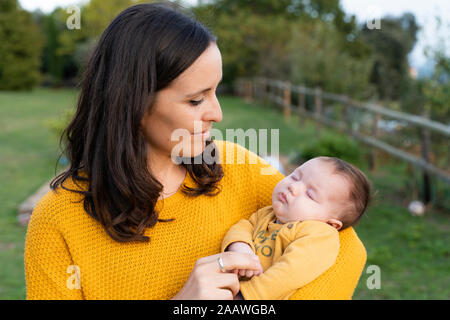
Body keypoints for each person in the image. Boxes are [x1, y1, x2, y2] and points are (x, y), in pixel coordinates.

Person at [24, 2, 367, 300]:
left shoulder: (239, 167)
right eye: (196, 99)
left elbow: (345, 247)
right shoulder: (56, 221)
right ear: (131, 102)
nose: (216, 113)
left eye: (215, 91)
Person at [222, 156, 372, 300]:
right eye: (295, 177)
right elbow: (243, 226)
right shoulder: (268, 213)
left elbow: (290, 273)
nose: (293, 187)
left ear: (331, 223)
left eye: (310, 194)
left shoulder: (320, 234)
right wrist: (240, 246)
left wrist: (246, 296)